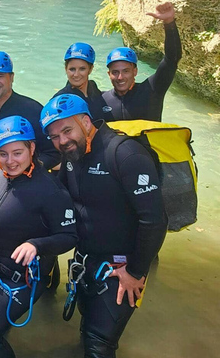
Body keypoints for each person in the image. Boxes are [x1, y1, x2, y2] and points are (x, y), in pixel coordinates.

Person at [41, 94, 167, 358]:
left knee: (99, 344)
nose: (62, 141)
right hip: (86, 263)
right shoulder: (73, 155)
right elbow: (58, 196)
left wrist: (135, 271)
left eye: (67, 130)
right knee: (88, 330)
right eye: (54, 136)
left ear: (86, 122)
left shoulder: (125, 154)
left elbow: (155, 221)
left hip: (120, 269)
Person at [0, 115, 77, 358]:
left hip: (22, 277)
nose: (10, 161)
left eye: (17, 152)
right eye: (3, 154)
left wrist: (36, 245)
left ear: (32, 148)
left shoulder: (50, 190)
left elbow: (70, 236)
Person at [0, 51, 61, 169]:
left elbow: (53, 153)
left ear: (11, 77)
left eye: (0, 76)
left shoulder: (33, 110)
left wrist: (26, 170)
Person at [102, 1, 182, 122]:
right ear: (109, 74)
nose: (120, 77)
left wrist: (169, 22)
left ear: (135, 71)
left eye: (126, 71)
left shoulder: (151, 90)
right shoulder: (102, 99)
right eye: (115, 72)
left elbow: (172, 59)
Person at [53, 42, 113, 122]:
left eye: (82, 69)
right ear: (66, 69)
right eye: (72, 69)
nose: (76, 74)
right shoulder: (61, 100)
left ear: (90, 69)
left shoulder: (92, 87)